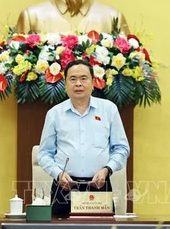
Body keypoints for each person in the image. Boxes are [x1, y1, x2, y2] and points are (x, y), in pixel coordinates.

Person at [37, 59, 130, 216]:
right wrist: (58, 173)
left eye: (83, 78)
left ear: (93, 83)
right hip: (64, 186)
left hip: (99, 185)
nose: (78, 84)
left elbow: (121, 148)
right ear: (65, 84)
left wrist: (107, 169)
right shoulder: (54, 114)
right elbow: (44, 153)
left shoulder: (108, 110)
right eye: (72, 79)